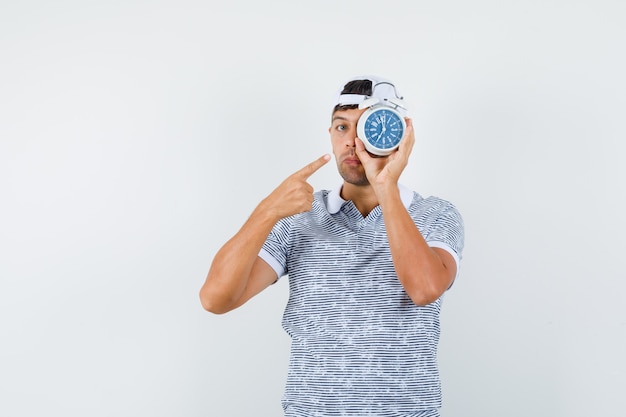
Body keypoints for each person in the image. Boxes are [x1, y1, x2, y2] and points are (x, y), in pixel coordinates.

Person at [199, 75, 465, 417]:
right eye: (342, 127)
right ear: (330, 135)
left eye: (368, 128)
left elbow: (425, 289)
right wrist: (266, 211)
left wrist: (386, 186)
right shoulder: (299, 219)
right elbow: (215, 299)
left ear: (400, 135)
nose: (352, 142)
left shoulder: (435, 214)